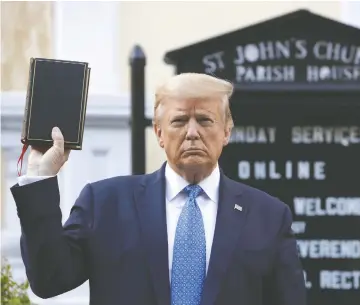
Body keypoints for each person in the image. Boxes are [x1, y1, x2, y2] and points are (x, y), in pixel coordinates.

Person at [11, 73, 307, 305]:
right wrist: (41, 177)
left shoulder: (268, 217)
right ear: (159, 132)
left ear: (227, 131)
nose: (192, 132)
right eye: (179, 120)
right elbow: (49, 279)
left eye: (205, 120)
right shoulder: (106, 204)